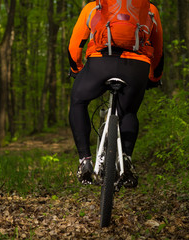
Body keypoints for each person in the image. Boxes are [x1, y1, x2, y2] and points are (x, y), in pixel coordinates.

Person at [68, 0, 164, 186]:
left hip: (100, 63)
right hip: (137, 67)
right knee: (129, 112)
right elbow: (158, 50)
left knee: (78, 101)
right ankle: (126, 161)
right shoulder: (150, 9)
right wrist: (154, 77)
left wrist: (77, 69)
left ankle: (85, 161)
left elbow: (75, 45)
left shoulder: (94, 6)